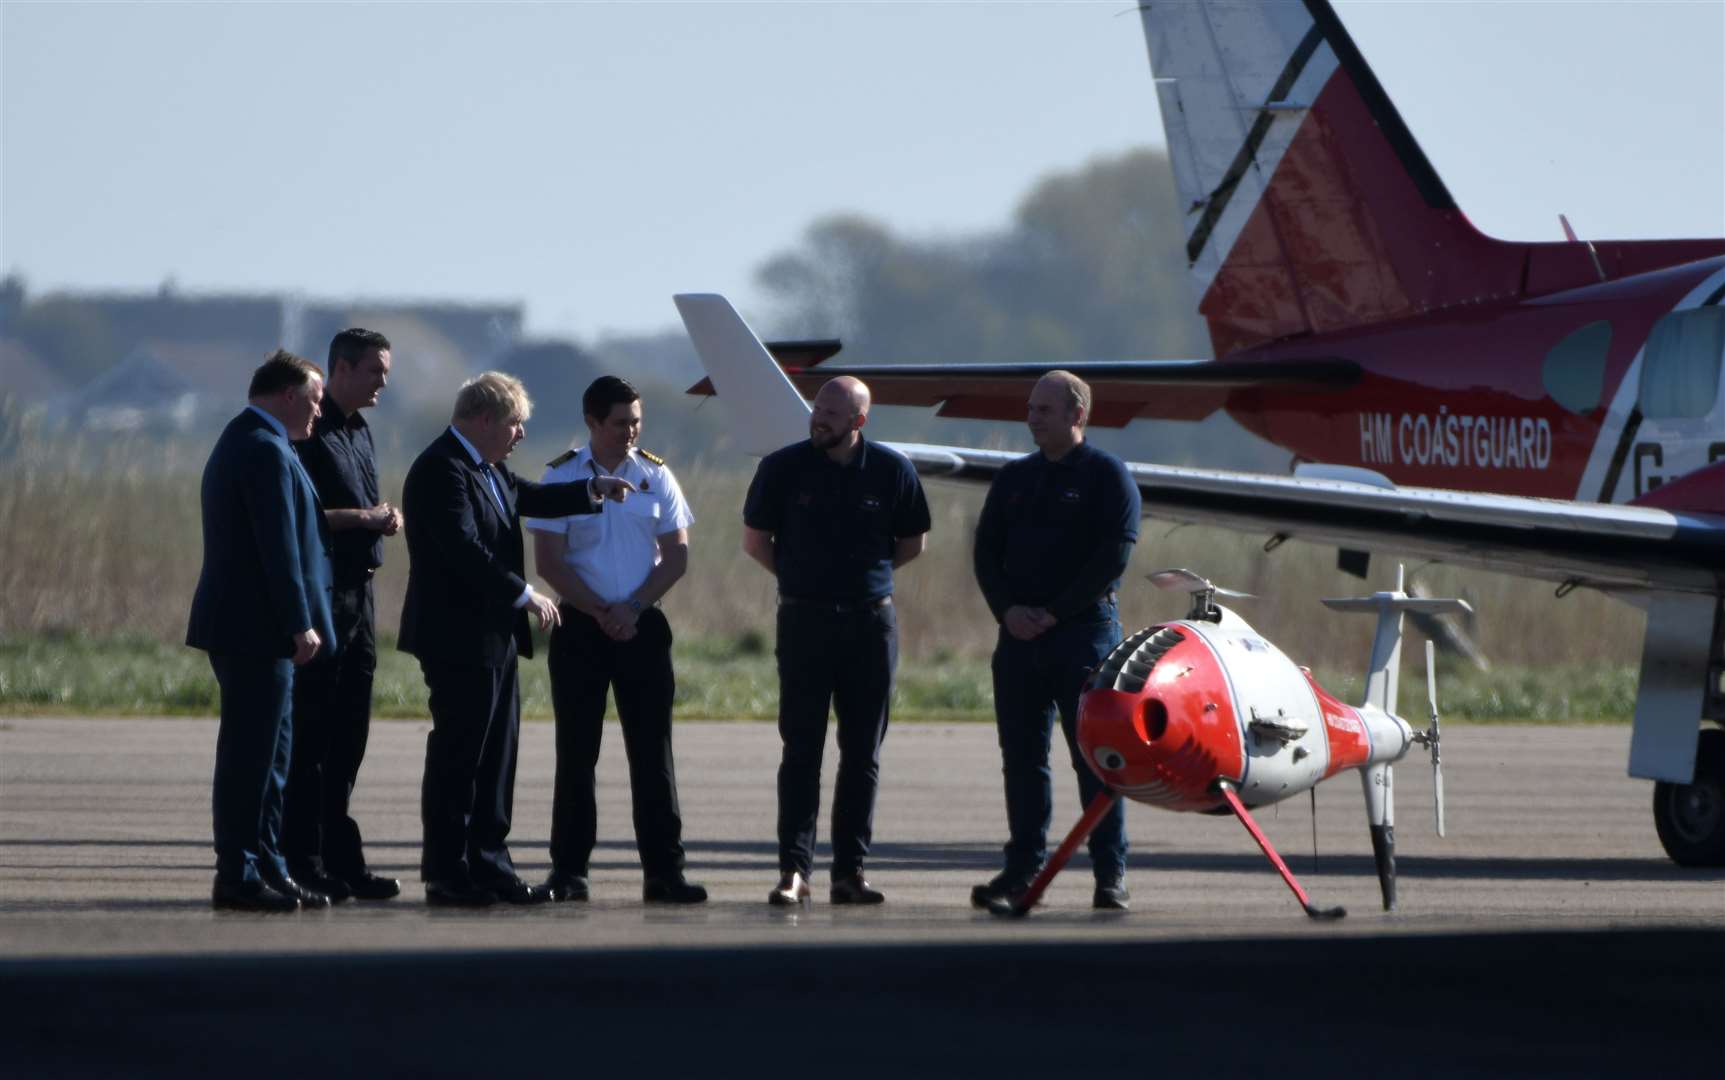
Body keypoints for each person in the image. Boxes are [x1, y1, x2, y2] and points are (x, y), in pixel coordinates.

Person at [399, 371, 632, 907]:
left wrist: (591, 489)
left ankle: (488, 862)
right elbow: (461, 547)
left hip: (494, 638)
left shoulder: (488, 467)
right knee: (460, 756)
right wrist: (524, 593)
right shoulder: (442, 469)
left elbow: (527, 496)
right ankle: (447, 872)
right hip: (457, 638)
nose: (521, 433)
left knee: (496, 756)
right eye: (515, 422)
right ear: (483, 419)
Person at [742, 376, 931, 906]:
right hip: (805, 622)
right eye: (816, 408)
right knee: (801, 748)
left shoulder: (892, 471)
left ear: (859, 422)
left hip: (871, 626)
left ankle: (849, 872)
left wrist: (863, 579)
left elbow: (912, 542)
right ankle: (794, 872)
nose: (818, 418)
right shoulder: (783, 468)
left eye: (831, 412)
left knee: (862, 752)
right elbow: (756, 542)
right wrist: (803, 579)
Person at [527, 376, 705, 904]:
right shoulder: (560, 475)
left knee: (652, 755)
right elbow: (549, 562)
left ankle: (664, 872)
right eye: (620, 422)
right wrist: (598, 610)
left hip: (641, 623)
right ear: (593, 423)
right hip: (580, 626)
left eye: (636, 422)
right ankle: (569, 872)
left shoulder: (656, 474)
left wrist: (631, 608)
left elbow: (676, 555)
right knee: (577, 754)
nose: (630, 431)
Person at [970, 370, 1141, 911]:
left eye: (1044, 409)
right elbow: (985, 554)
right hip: (1019, 639)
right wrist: (1008, 611)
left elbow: (1113, 555)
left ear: (1077, 415)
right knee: (1021, 758)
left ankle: (1109, 875)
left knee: (1095, 759)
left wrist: (1055, 612)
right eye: (1030, 408)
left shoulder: (1107, 476)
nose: (1032, 417)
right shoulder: (1014, 479)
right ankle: (1023, 870)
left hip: (1084, 636)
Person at [187, 349, 337, 912]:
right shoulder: (261, 448)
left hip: (255, 628)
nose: (319, 413)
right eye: (316, 401)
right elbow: (277, 550)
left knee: (273, 756)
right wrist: (299, 622)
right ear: (291, 396)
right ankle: (238, 875)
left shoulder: (260, 442)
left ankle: (266, 862)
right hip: (255, 629)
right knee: (252, 758)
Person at [282, 328, 403, 903]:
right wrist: (363, 518)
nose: (384, 381)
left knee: (350, 735)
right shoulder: (310, 430)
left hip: (363, 596)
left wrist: (380, 518)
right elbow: (303, 517)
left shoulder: (358, 430)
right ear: (343, 369)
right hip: (327, 596)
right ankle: (302, 860)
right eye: (376, 370)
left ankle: (340, 858)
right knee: (315, 734)